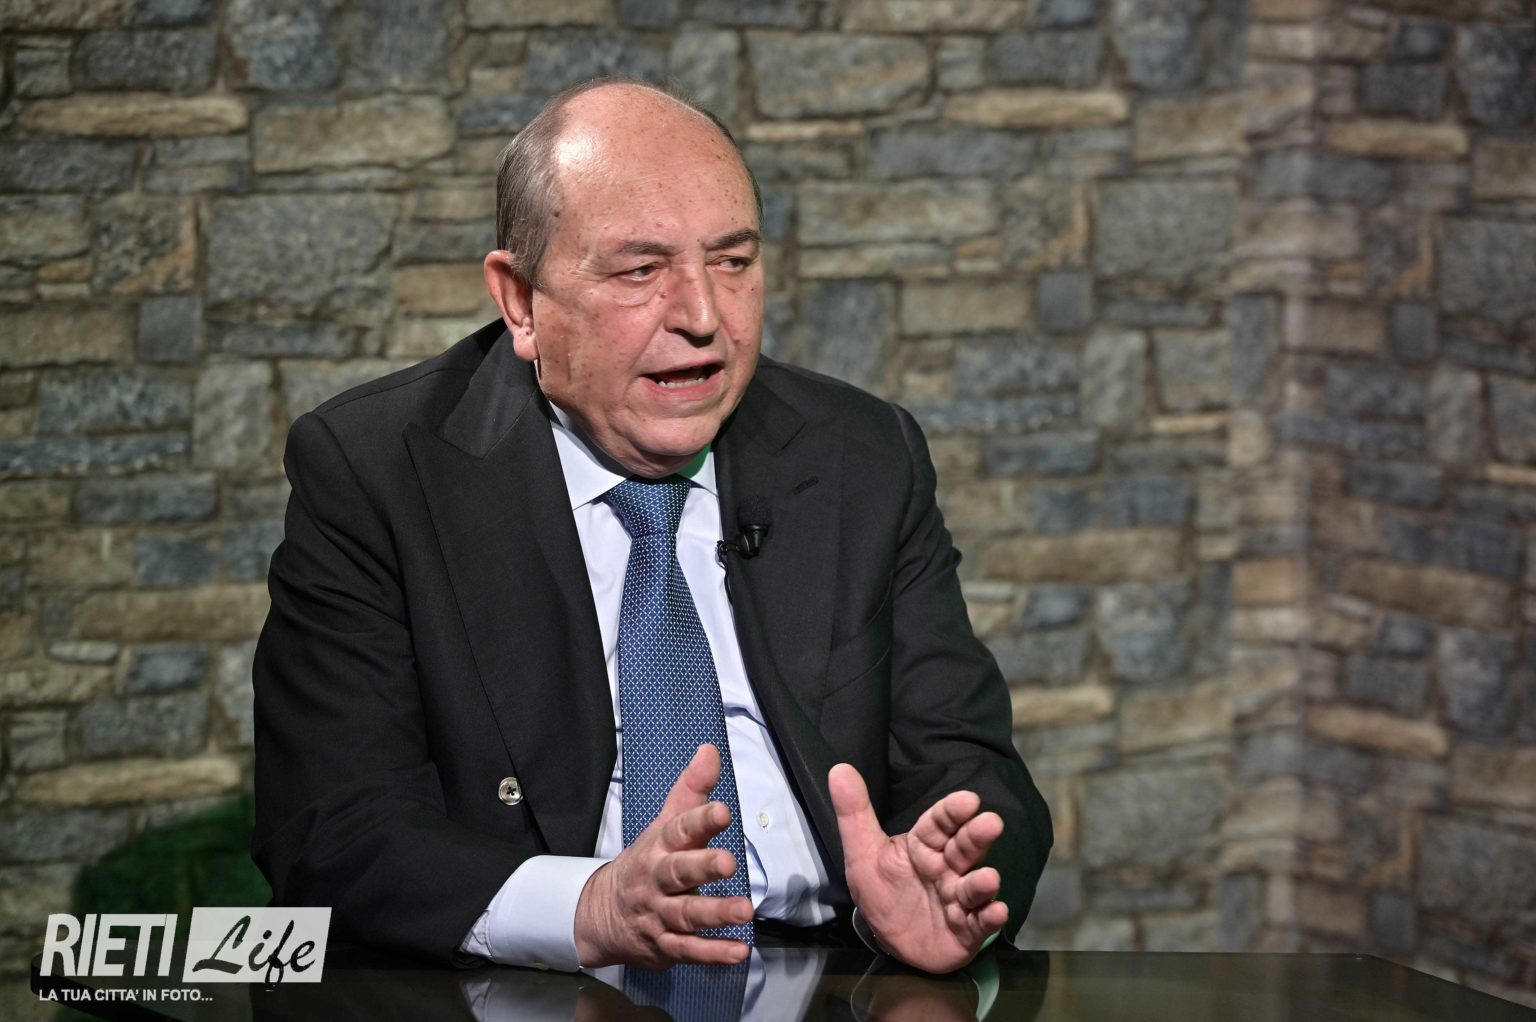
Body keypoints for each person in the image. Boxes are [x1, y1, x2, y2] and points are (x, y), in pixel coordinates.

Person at [252, 77, 1052, 976]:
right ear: (519, 301)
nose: (703, 318)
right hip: (536, 983)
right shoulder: (378, 472)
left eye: (733, 262)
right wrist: (587, 906)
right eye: (641, 271)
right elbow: (332, 824)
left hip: (836, 973)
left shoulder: (861, 455)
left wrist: (953, 884)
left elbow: (972, 768)